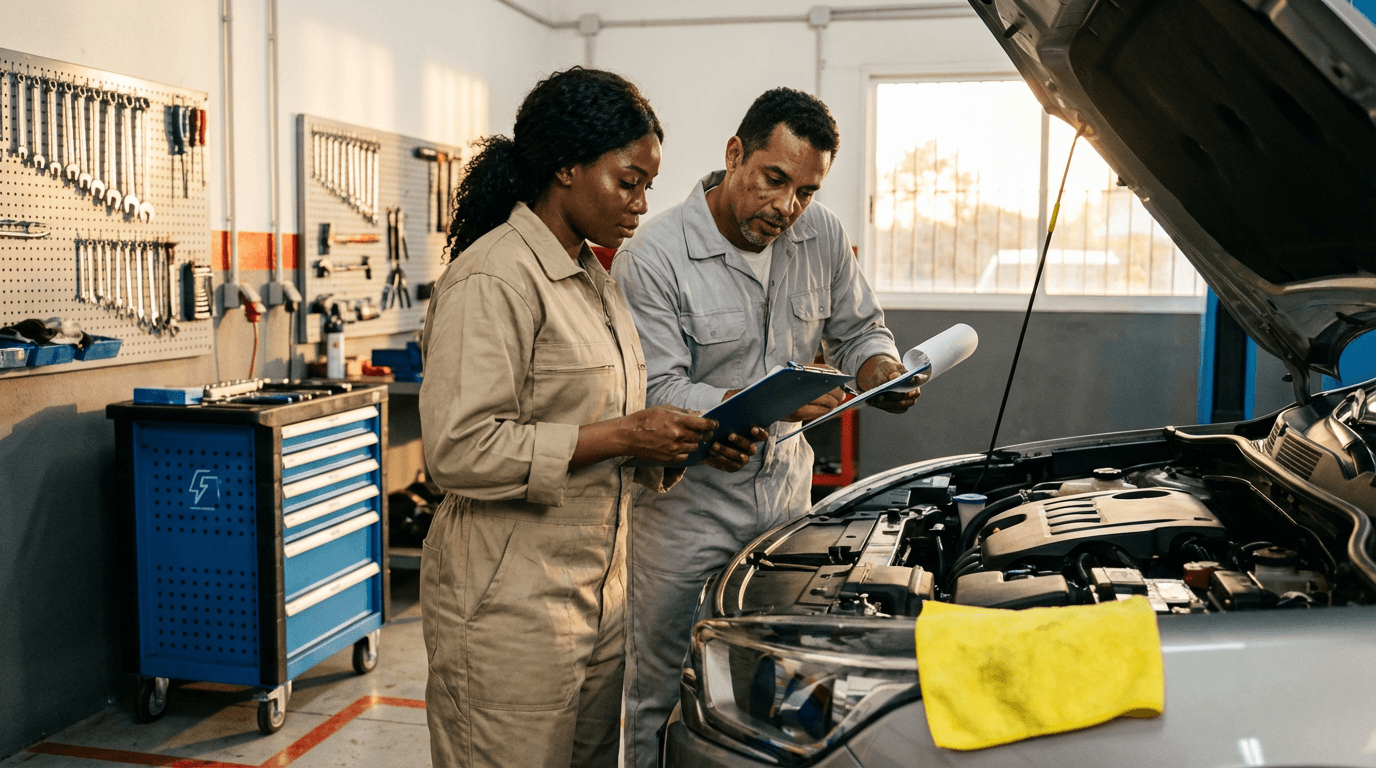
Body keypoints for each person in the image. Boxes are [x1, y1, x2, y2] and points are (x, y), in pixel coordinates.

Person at [418, 67, 758, 768]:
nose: (639, 204)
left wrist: (676, 447)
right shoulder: (495, 279)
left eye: (647, 187)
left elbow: (602, 421)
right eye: (627, 181)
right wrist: (628, 434)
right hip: (507, 602)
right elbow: (458, 450)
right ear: (566, 167)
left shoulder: (594, 281)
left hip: (597, 594)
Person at [611, 87, 921, 767]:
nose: (786, 208)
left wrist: (880, 370)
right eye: (773, 180)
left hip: (785, 504)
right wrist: (751, 403)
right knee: (658, 688)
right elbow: (655, 388)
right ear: (734, 156)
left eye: (805, 191)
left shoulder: (823, 236)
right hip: (682, 511)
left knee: (779, 683)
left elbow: (860, 329)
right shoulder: (654, 255)